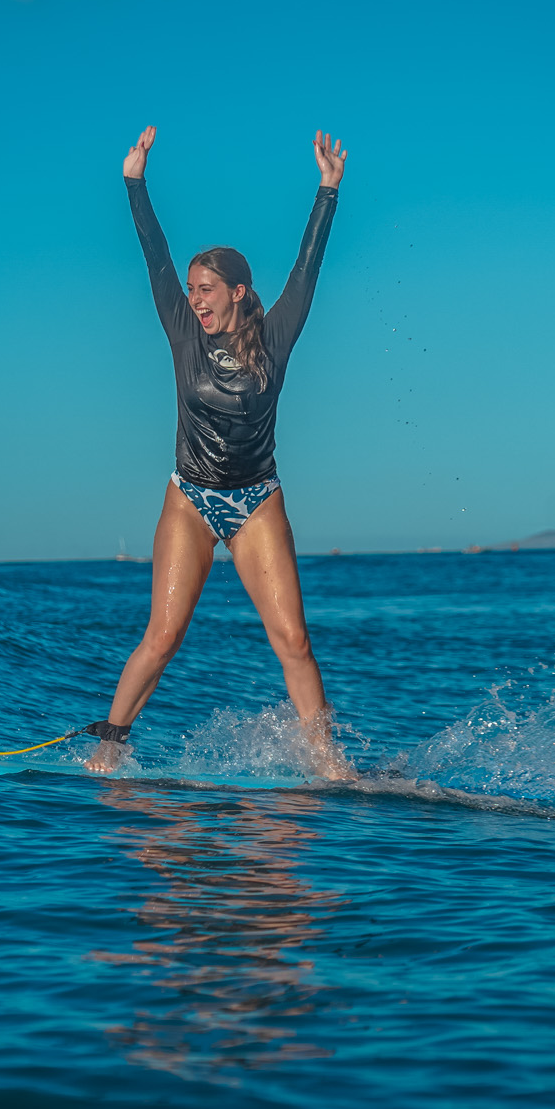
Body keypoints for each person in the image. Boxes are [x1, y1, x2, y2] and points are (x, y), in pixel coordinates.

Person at [85, 125, 355, 780]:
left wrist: (327, 190)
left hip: (258, 501)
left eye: (206, 288)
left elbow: (307, 268)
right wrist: (134, 180)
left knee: (293, 639)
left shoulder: (278, 333)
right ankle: (108, 748)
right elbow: (153, 253)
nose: (194, 298)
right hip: (191, 500)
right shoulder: (182, 332)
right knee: (163, 636)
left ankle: (328, 764)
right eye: (191, 289)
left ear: (237, 290)